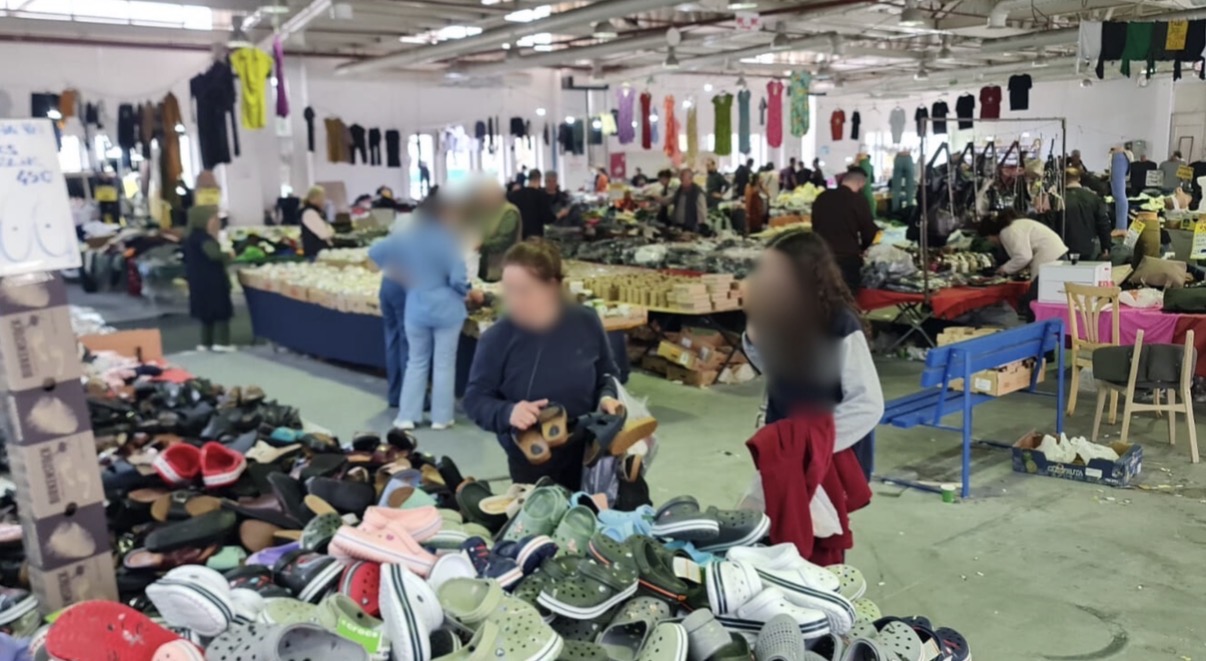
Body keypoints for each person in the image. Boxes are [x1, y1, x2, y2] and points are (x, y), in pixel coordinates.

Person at [741, 231, 881, 562]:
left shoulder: (839, 324)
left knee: (815, 544)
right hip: (787, 448)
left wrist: (810, 445)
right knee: (777, 534)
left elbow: (868, 404)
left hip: (826, 455)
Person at [463, 240, 623, 489]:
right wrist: (508, 412)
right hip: (531, 455)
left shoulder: (586, 321)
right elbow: (475, 399)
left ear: (552, 287)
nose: (514, 300)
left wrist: (607, 396)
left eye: (524, 290)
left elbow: (607, 373)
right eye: (509, 289)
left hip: (587, 450)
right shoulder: (498, 337)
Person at [391, 195, 478, 430]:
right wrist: (466, 291)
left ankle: (407, 416)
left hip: (416, 307)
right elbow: (458, 277)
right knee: (444, 364)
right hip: (446, 309)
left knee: (416, 361)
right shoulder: (448, 239)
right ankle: (441, 417)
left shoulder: (409, 238)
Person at [978, 209, 1068, 320]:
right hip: (1057, 256)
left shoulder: (1007, 232)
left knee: (1033, 302)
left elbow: (1023, 256)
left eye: (988, 238)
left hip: (1050, 260)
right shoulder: (1015, 226)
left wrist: (1004, 269)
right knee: (1048, 301)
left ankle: (1033, 327)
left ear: (991, 233)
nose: (990, 242)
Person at [809, 166, 879, 295]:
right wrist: (862, 248)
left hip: (821, 257)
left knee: (823, 298)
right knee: (847, 299)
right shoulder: (858, 200)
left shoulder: (822, 197)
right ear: (861, 183)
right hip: (847, 259)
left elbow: (814, 227)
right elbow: (869, 231)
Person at [183, 205, 235, 352]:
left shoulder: (190, 237)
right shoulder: (204, 239)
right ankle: (222, 342)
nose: (217, 221)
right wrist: (228, 255)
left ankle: (206, 342)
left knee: (205, 313)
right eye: (214, 218)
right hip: (212, 280)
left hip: (197, 280)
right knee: (220, 311)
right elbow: (214, 255)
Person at [475, 182, 521, 282]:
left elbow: (504, 241)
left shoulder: (510, 212)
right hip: (485, 265)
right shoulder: (488, 211)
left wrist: (482, 244)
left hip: (501, 268)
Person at [1063, 168, 1112, 260]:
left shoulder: (1059, 199)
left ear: (1064, 179)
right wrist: (1106, 247)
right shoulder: (1093, 198)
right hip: (1087, 246)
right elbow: (1103, 224)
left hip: (1063, 247)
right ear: (1079, 178)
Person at [507, 168, 554, 239]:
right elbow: (548, 218)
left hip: (519, 235)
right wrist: (560, 214)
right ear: (539, 179)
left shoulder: (515, 194)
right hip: (535, 235)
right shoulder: (541, 196)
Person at [300, 185, 334, 258]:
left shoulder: (317, 212)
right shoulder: (309, 213)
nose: (323, 200)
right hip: (314, 253)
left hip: (319, 252)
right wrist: (330, 231)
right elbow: (324, 234)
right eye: (321, 197)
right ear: (313, 199)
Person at [671, 167, 707, 231]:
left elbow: (702, 212)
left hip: (690, 226)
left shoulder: (697, 192)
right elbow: (672, 200)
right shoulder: (680, 189)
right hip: (679, 225)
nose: (682, 182)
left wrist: (699, 225)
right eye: (681, 180)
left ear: (690, 179)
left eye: (684, 180)